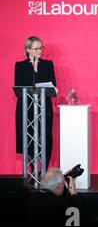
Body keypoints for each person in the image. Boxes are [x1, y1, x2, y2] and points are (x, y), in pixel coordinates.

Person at [15, 36, 56, 168]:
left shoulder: (48, 64)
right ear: (28, 50)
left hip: (44, 106)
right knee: (29, 138)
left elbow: (53, 86)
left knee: (46, 137)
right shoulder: (20, 66)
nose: (39, 51)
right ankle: (33, 170)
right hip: (27, 107)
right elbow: (18, 87)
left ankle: (44, 169)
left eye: (40, 48)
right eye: (36, 48)